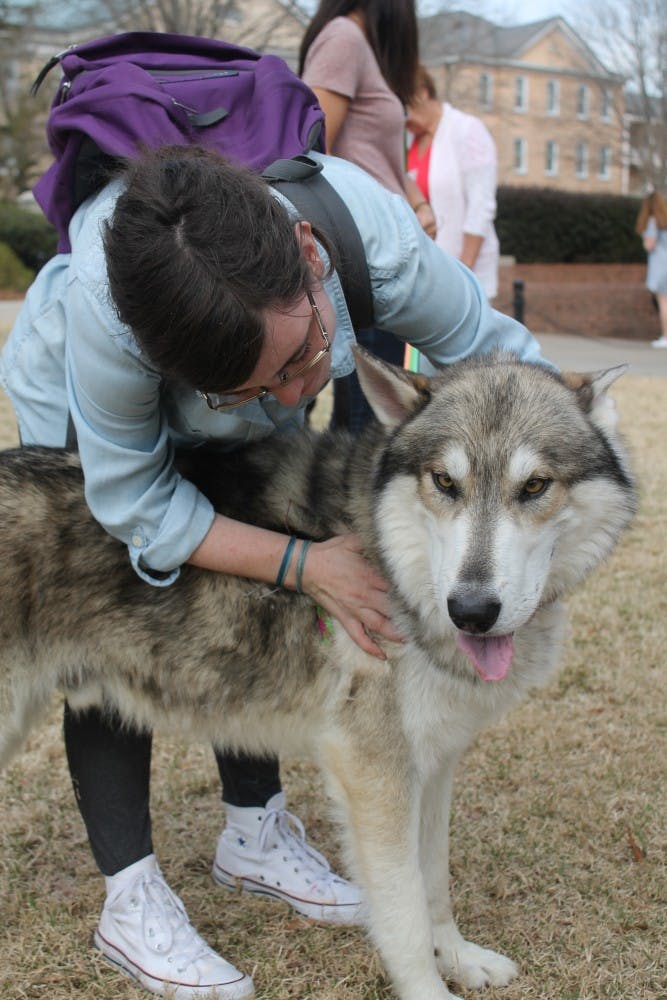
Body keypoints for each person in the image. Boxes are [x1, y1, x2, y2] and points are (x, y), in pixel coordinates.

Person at [0, 144, 547, 999]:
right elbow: (136, 508)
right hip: (89, 415)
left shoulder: (379, 241)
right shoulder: (103, 318)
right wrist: (304, 562)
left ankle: (253, 833)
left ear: (311, 256)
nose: (298, 398)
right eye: (252, 386)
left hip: (244, 349)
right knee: (112, 598)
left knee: (257, 586)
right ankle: (130, 890)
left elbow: (505, 360)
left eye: (304, 360)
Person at [299, 0, 436, 430]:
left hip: (383, 258)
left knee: (367, 423)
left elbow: (379, 158)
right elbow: (307, 152)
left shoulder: (366, 49)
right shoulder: (343, 38)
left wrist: (417, 204)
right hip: (363, 261)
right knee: (367, 428)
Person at [406, 66, 500, 301]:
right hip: (425, 277)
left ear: (423, 92)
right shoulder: (410, 141)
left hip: (464, 276)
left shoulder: (467, 130)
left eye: (404, 105)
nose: (403, 117)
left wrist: (464, 274)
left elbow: (481, 206)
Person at [635, 189, 667, 348]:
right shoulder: (665, 222)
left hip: (661, 266)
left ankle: (666, 337)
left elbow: (649, 244)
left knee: (663, 302)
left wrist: (645, 241)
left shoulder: (653, 222)